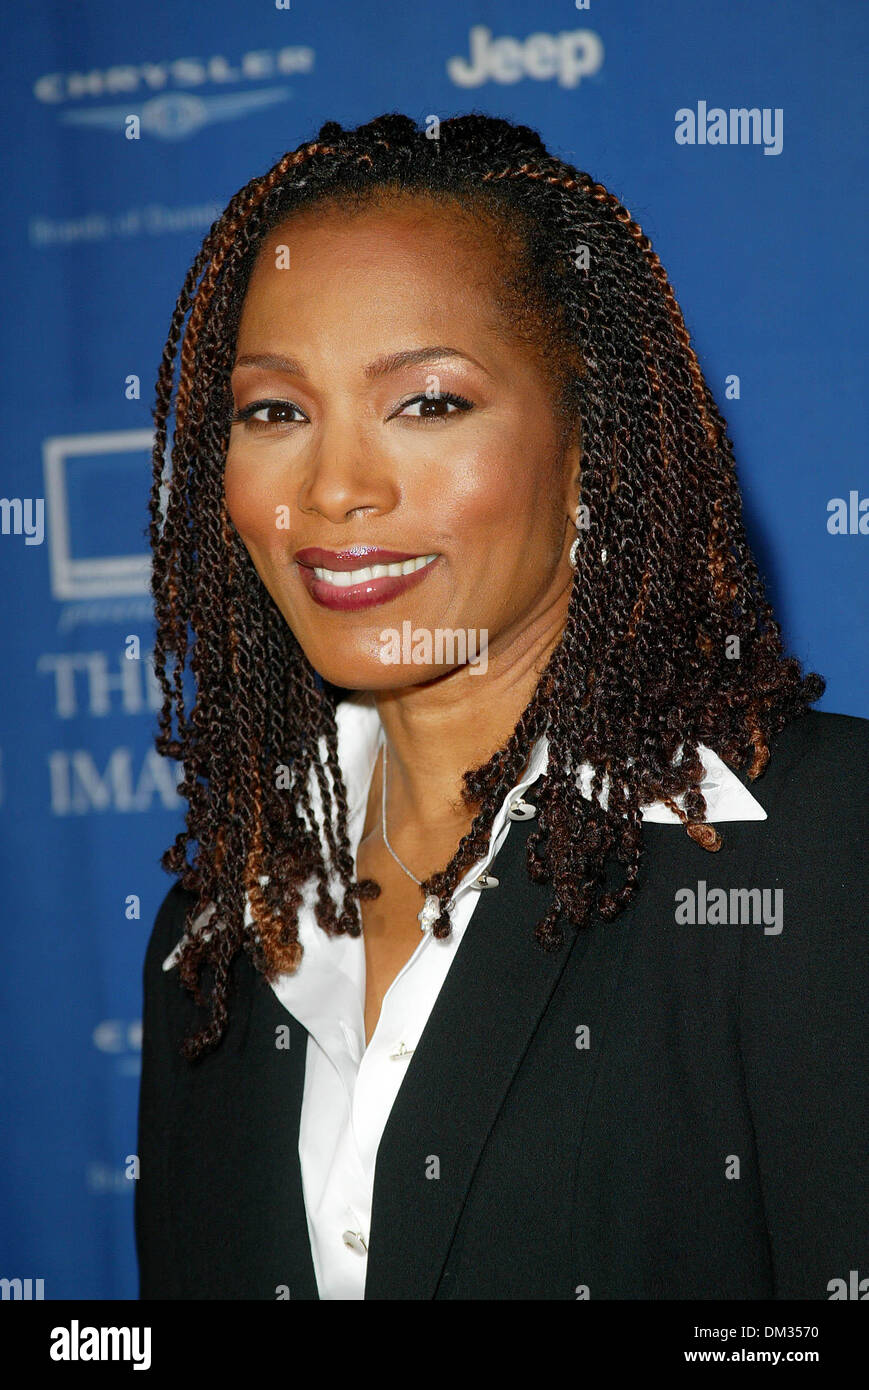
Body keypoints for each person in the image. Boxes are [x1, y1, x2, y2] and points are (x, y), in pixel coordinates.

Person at [135, 112, 868, 1300]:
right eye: (274, 410)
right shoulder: (215, 929)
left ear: (592, 443)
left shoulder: (817, 847)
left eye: (427, 403)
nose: (334, 489)